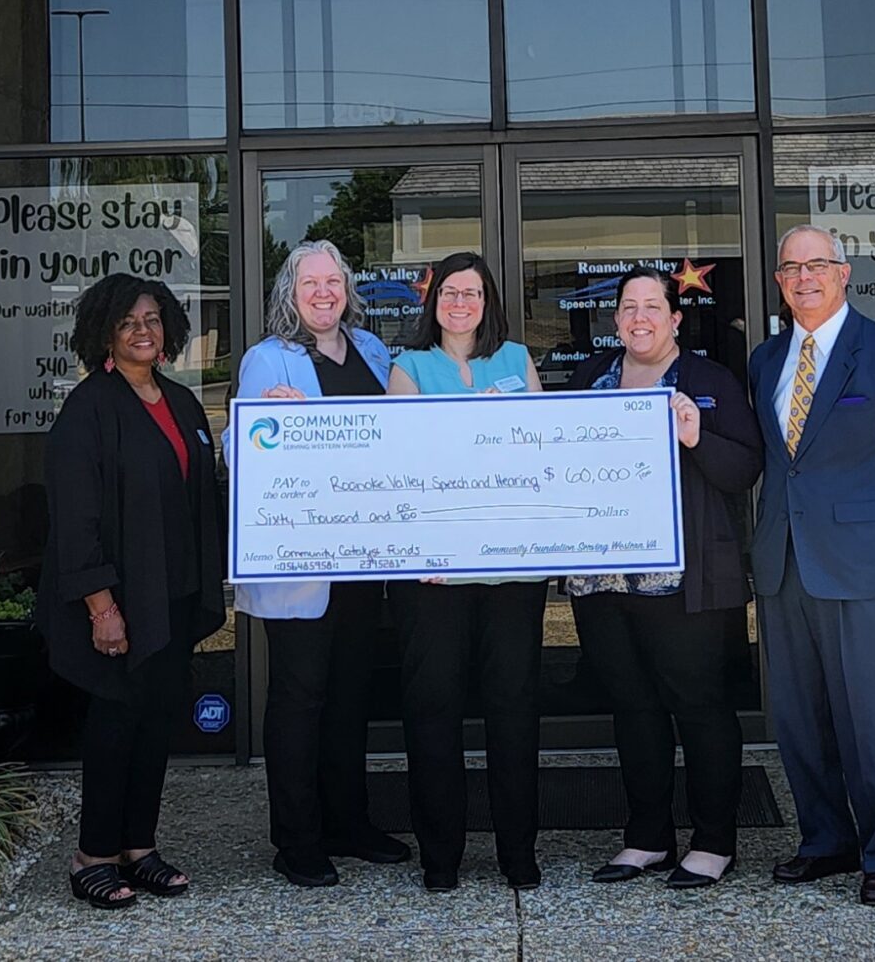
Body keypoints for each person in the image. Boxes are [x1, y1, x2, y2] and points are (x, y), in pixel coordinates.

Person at [747, 225, 875, 908]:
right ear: (778, 280)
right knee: (799, 718)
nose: (805, 277)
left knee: (869, 717)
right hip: (782, 563)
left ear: (845, 272)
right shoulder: (765, 359)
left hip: (860, 567)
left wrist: (871, 523)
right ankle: (825, 840)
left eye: (818, 265)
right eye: (792, 267)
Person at [568, 267, 762, 889]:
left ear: (676, 319)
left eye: (654, 306)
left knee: (700, 707)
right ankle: (647, 837)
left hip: (686, 581)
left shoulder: (709, 382)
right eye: (629, 307)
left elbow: (746, 470)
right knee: (633, 708)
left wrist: (697, 436)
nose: (640, 317)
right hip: (602, 582)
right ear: (617, 319)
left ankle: (712, 841)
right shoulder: (587, 380)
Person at [235, 239, 415, 887]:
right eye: (309, 283)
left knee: (348, 697)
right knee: (299, 698)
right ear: (290, 292)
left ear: (347, 289)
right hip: (300, 565)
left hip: (363, 559)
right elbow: (238, 448)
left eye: (332, 282)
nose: (322, 293)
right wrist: (263, 423)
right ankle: (297, 839)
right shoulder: (267, 360)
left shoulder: (371, 351)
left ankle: (350, 823)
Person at [44, 271, 223, 910]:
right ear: (105, 334)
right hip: (119, 602)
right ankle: (92, 854)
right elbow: (75, 517)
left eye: (151, 320)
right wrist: (101, 606)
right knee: (116, 724)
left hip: (171, 596)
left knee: (155, 724)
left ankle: (137, 847)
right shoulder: (90, 408)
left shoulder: (179, 402)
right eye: (128, 323)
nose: (142, 331)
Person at [388, 251, 545, 892]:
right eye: (450, 292)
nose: (460, 303)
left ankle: (518, 854)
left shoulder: (516, 360)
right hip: (436, 580)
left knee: (514, 711)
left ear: (488, 301)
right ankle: (441, 857)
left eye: (472, 293)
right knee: (433, 712)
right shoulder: (409, 367)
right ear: (433, 301)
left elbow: (543, 451)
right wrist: (415, 549)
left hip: (511, 575)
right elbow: (395, 467)